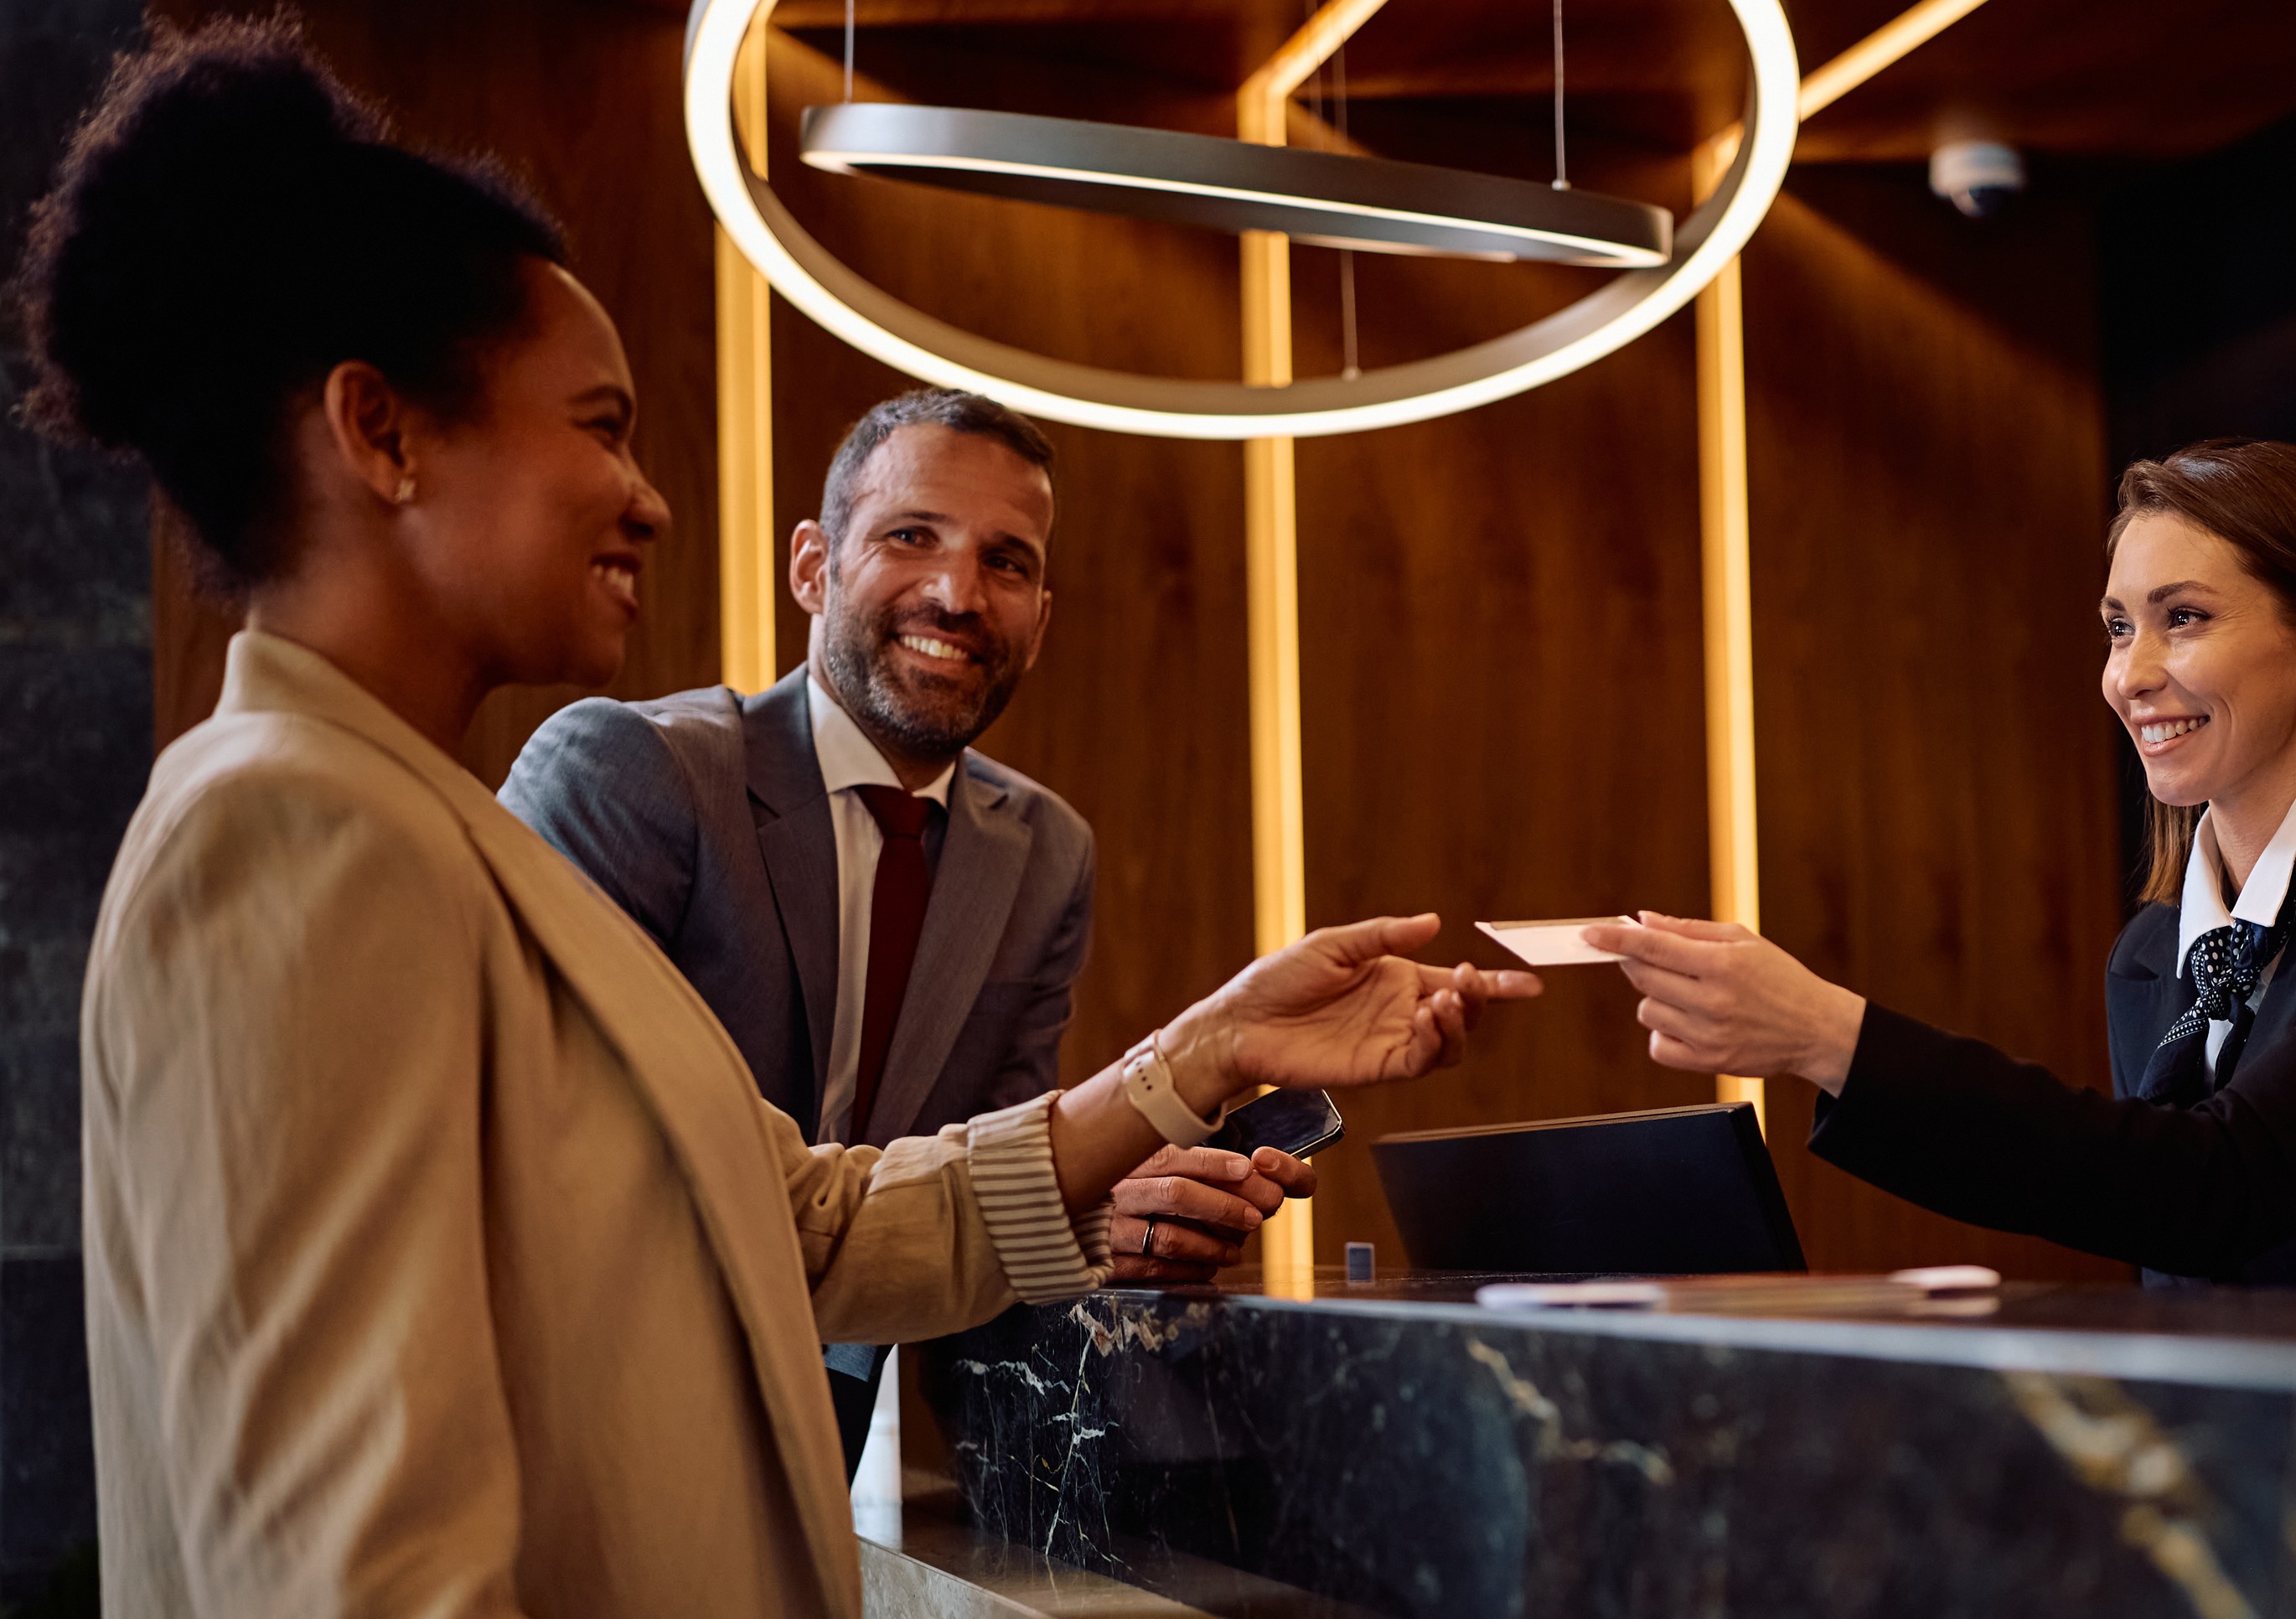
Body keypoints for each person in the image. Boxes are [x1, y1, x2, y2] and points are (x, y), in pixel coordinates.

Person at [28, 22, 1536, 1616]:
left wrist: (1210, 1052)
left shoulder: (415, 830)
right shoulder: (293, 831)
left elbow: (812, 1222)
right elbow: (352, 1565)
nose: (649, 493)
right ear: (382, 433)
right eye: (600, 424)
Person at [502, 386, 1283, 1477]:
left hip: (833, 1451)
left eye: (1006, 563)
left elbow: (988, 1167)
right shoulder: (633, 774)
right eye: (912, 536)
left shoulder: (1046, 852)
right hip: (582, 1431)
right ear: (813, 568)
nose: (958, 593)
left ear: (1041, 621)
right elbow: (565, 1180)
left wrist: (1110, 1221)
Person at [1590, 439, 2296, 1291]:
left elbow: (2220, 1189)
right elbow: (2153, 1217)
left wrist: (1831, 1037)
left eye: (2182, 618)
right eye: (2118, 627)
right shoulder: (2158, 953)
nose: (2129, 674)